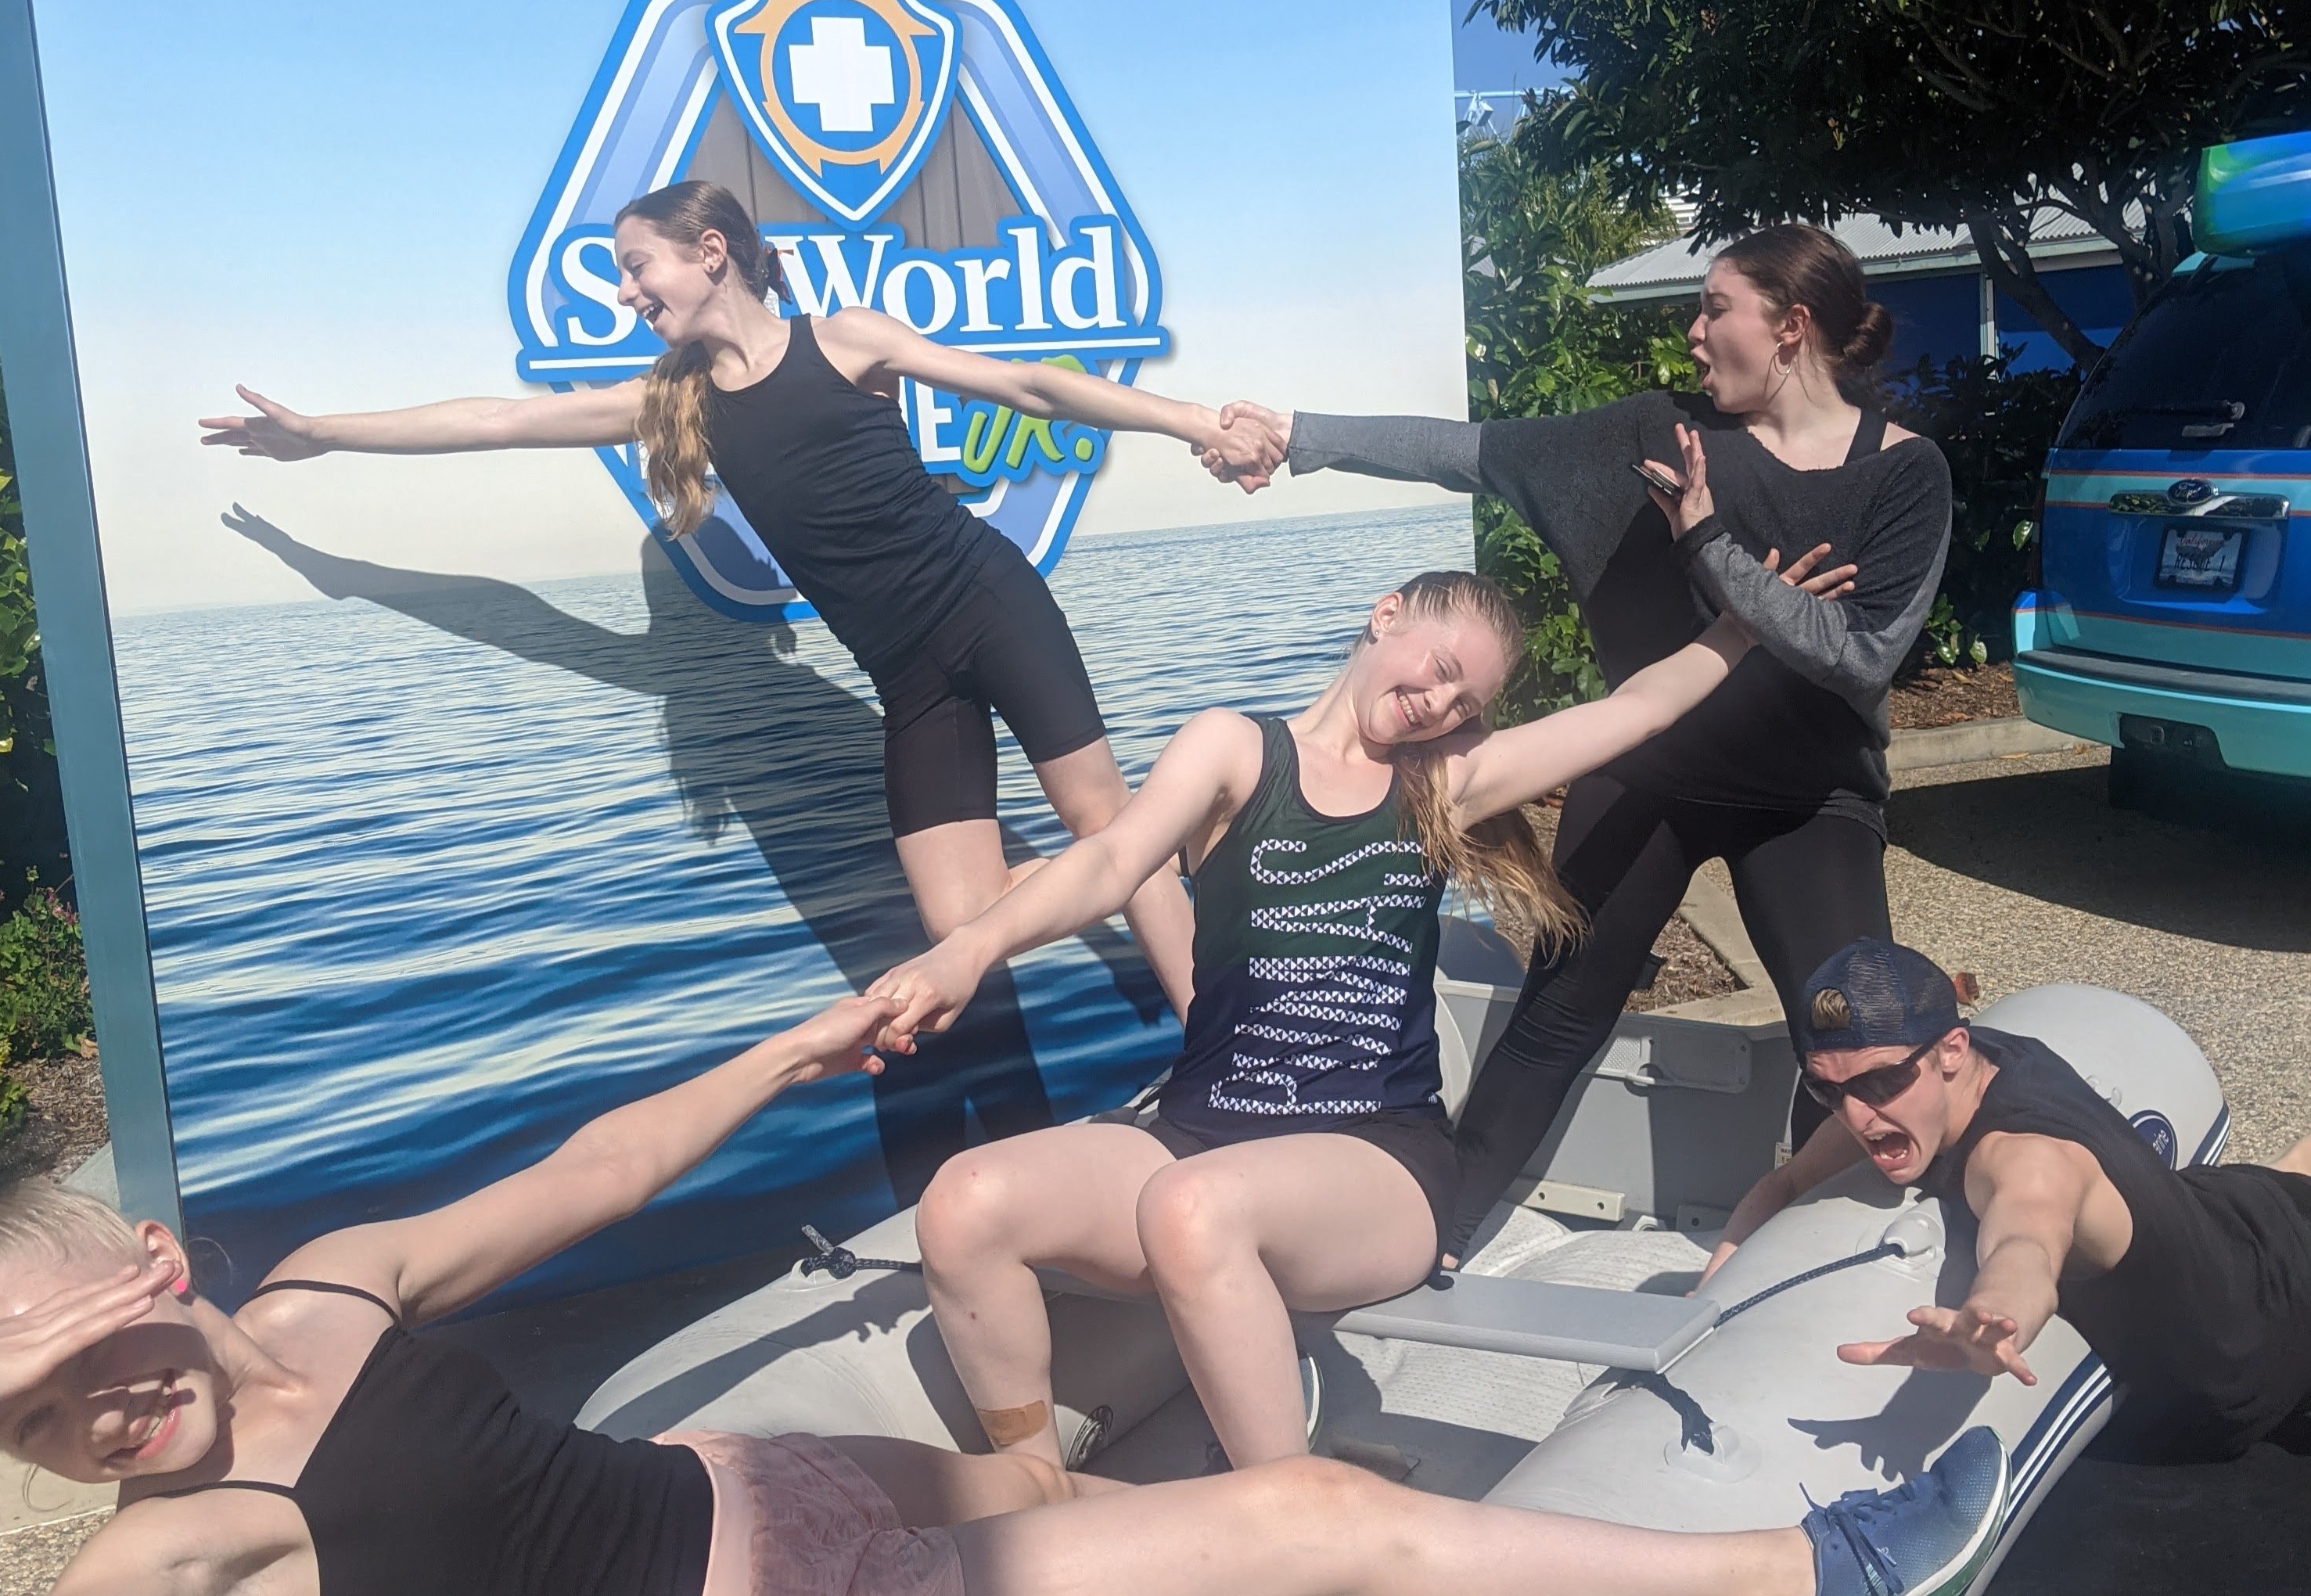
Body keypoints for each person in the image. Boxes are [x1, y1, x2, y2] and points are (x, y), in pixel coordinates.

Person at [0, 1004, 2014, 1596]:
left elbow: (587, 1175)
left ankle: (1444, 1542)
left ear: (158, 1266)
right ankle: (1798, 1580)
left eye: (82, 1355)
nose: (82, 1421)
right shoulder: (187, 1556)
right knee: (1304, 1521)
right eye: (21, 1420)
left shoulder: (321, 1292)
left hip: (747, 1487)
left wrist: (785, 1056)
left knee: (1078, 1498)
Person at [200, 181, 1284, 1013]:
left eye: (637, 269)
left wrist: (1192, 420)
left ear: (709, 253)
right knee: (962, 921)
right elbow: (491, 421)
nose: (627, 294)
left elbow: (1029, 384)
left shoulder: (842, 341)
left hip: (989, 603)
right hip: (907, 675)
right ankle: (1169, 840)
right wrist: (324, 436)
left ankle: (1212, 1041)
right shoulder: (673, 403)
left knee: (1100, 819)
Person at [871, 568, 1756, 1474]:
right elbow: (1109, 862)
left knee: (1193, 1209)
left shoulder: (1445, 783)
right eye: (1442, 666)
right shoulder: (1232, 749)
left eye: (1466, 699)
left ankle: (1283, 1506)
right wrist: (966, 951)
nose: (1441, 703)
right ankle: (1032, 1487)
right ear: (1387, 618)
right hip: (1199, 1133)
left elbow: (1642, 707)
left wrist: (1742, 628)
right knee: (962, 1205)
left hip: (1378, 1163)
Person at [1203, 225, 1955, 1265]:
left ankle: (1802, 1262)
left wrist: (1708, 547)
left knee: (1846, 1028)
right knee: (1559, 1012)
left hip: (1808, 794)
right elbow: (1463, 452)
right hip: (1651, 773)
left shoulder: (1904, 475)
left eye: (1715, 309)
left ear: (1790, 328)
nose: (1693, 333)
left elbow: (1860, 657)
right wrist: (1297, 435)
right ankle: (1437, 1237)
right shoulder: (1642, 437)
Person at [1702, 938, 2311, 1461]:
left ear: (1953, 1050)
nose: (1856, 1116)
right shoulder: (1922, 1077)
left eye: (1880, 1082)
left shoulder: (2025, 1158)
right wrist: (1702, 1305)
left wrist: (1993, 1318)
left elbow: (2027, 1243)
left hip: (2284, 1326)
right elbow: (1785, 1184)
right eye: (1826, 1090)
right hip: (2234, 1214)